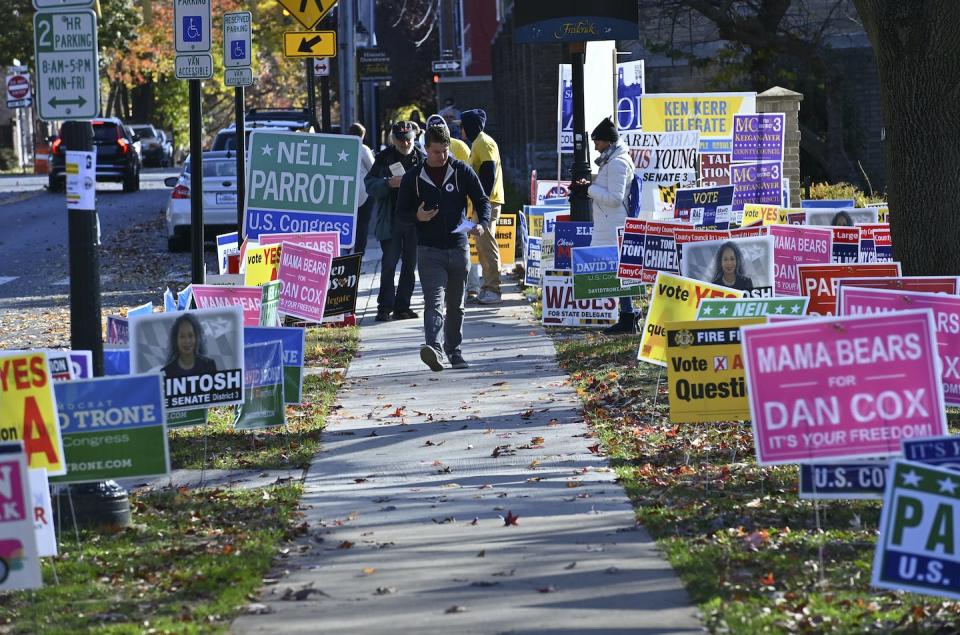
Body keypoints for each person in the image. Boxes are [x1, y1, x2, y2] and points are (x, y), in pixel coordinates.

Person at [395, 125, 491, 372]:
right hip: (429, 250)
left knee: (456, 304)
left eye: (445, 151)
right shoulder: (414, 177)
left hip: (458, 247)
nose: (442, 156)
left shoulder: (461, 171)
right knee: (433, 302)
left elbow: (482, 199)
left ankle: (454, 350)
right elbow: (400, 215)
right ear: (426, 149)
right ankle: (434, 350)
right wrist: (417, 216)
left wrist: (482, 223)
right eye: (437, 152)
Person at [575, 117, 637, 335]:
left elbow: (614, 198)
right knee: (618, 272)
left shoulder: (618, 163)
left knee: (620, 272)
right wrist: (589, 187)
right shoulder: (613, 161)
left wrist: (589, 190)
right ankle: (628, 314)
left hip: (614, 224)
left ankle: (628, 316)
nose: (595, 147)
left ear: (608, 141)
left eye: (598, 142)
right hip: (610, 223)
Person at [365, 121, 425, 322]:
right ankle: (384, 307)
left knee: (409, 266)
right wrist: (388, 183)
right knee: (389, 264)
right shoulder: (384, 158)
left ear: (413, 138)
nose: (405, 144)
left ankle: (402, 307)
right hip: (390, 221)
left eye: (408, 140)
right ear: (393, 139)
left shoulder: (422, 158)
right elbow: (369, 185)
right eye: (400, 140)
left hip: (414, 221)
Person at [461, 109, 505, 305]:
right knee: (482, 245)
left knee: (487, 245)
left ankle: (493, 289)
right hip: (484, 202)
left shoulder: (484, 143)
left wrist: (482, 203)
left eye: (462, 126)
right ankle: (487, 287)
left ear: (469, 127)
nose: (460, 131)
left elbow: (488, 174)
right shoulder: (478, 143)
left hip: (488, 202)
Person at [162, 313, 217, 379]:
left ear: (196, 337)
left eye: (190, 335)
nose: (187, 341)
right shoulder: (166, 372)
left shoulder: (209, 366)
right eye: (182, 336)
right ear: (176, 339)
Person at [349, 122, 376, 256]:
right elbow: (373, 168)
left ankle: (346, 248)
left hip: (347, 191)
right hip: (364, 191)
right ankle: (359, 252)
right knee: (363, 223)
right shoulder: (363, 148)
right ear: (362, 135)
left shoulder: (343, 147)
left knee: (349, 222)